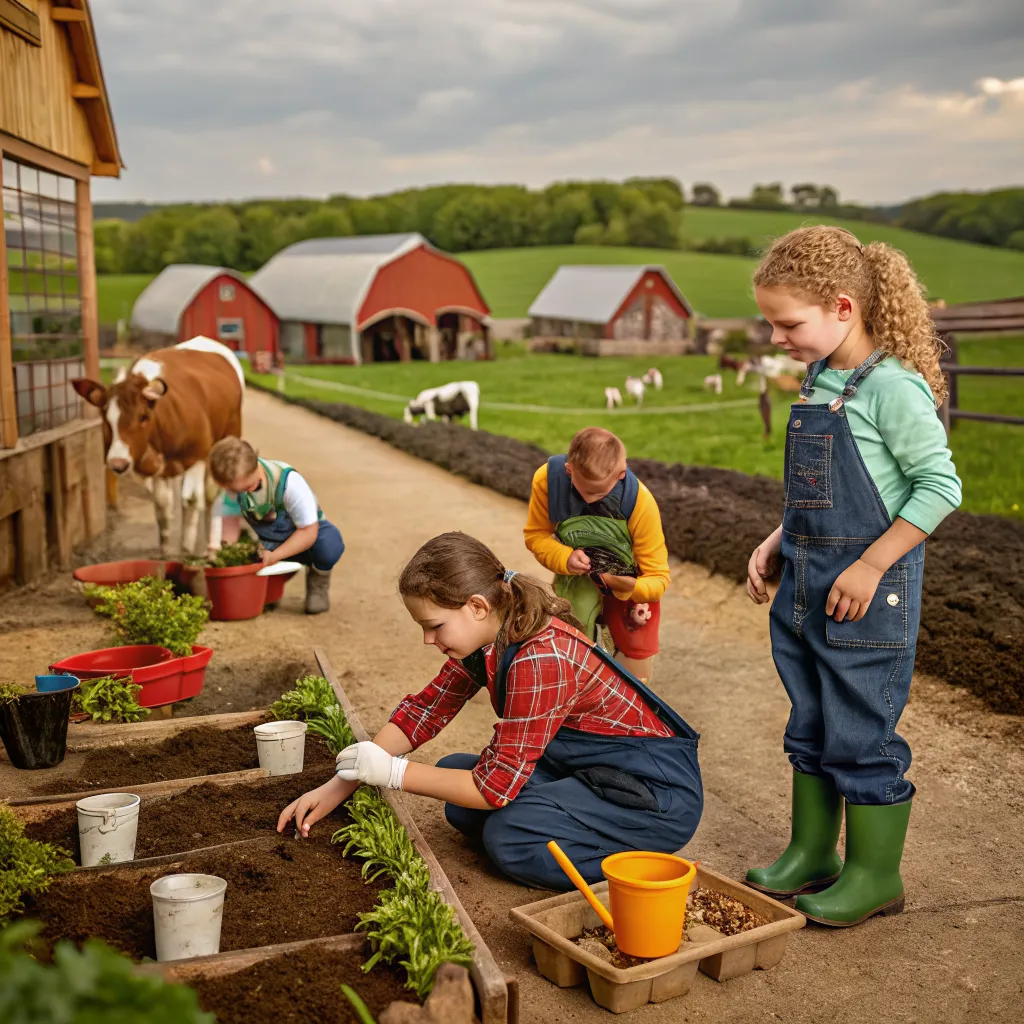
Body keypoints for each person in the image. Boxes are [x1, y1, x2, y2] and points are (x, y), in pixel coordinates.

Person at [744, 226, 962, 927]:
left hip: (869, 595)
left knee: (861, 733)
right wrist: (780, 537)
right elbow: (818, 488)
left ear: (844, 308)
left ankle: (875, 875)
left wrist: (871, 563)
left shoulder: (892, 388)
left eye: (788, 323)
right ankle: (813, 851)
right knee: (810, 721)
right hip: (809, 583)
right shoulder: (822, 377)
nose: (777, 337)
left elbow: (939, 488)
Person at [277, 532, 702, 891]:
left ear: (477, 606)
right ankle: (569, 826)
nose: (428, 639)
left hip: (653, 796)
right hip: (593, 774)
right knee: (457, 786)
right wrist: (338, 785)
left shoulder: (541, 657)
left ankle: (642, 867)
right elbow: (424, 712)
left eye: (434, 625)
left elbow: (494, 789)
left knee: (508, 837)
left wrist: (391, 773)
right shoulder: (493, 636)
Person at [523, 427, 669, 681]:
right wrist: (563, 557)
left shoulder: (640, 503)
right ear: (569, 470)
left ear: (621, 474)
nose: (590, 500)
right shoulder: (548, 481)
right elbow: (536, 536)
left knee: (635, 676)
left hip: (631, 584)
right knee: (568, 648)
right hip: (576, 575)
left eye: (599, 493)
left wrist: (628, 586)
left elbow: (658, 578)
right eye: (585, 491)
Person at [207, 437, 344, 614]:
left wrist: (276, 555)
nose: (241, 493)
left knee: (328, 545)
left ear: (255, 466)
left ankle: (318, 579)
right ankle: (267, 589)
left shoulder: (289, 483)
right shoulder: (233, 486)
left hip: (302, 534)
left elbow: (308, 531)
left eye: (249, 486)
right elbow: (229, 525)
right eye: (234, 490)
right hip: (266, 538)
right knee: (249, 555)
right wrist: (225, 556)